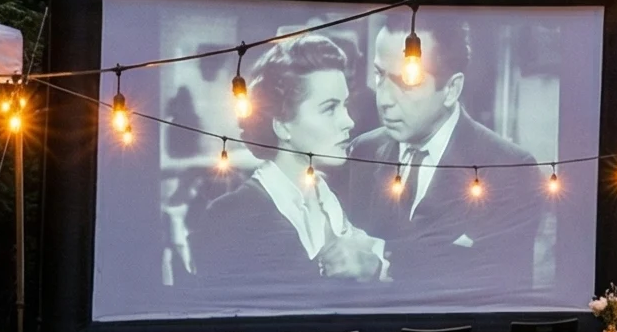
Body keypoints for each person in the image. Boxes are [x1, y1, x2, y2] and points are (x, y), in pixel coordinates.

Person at [347, 16, 542, 298]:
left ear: (451, 89)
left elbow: (497, 285)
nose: (384, 99)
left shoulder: (509, 168)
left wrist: (376, 262)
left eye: (406, 82)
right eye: (379, 75)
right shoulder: (362, 151)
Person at [189, 34, 384, 298]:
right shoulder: (229, 218)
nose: (348, 121)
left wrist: (374, 266)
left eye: (345, 105)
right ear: (282, 125)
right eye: (329, 109)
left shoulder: (339, 200)